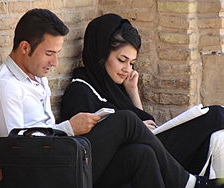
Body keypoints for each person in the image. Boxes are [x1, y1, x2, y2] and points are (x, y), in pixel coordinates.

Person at [0, 9, 220, 188]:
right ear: (25, 48)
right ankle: (188, 182)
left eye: (57, 54)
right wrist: (68, 128)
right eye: (49, 54)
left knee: (141, 155)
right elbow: (16, 152)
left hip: (60, 158)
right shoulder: (4, 86)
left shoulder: (36, 78)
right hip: (45, 175)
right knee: (125, 121)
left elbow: (40, 132)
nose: (55, 63)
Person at [60, 13, 224, 187]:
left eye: (131, 63)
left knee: (218, 134)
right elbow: (96, 146)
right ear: (101, 53)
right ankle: (187, 182)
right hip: (123, 162)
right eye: (122, 60)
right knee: (215, 115)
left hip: (151, 152)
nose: (127, 69)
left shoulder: (112, 87)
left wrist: (133, 92)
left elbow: (146, 121)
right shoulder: (80, 92)